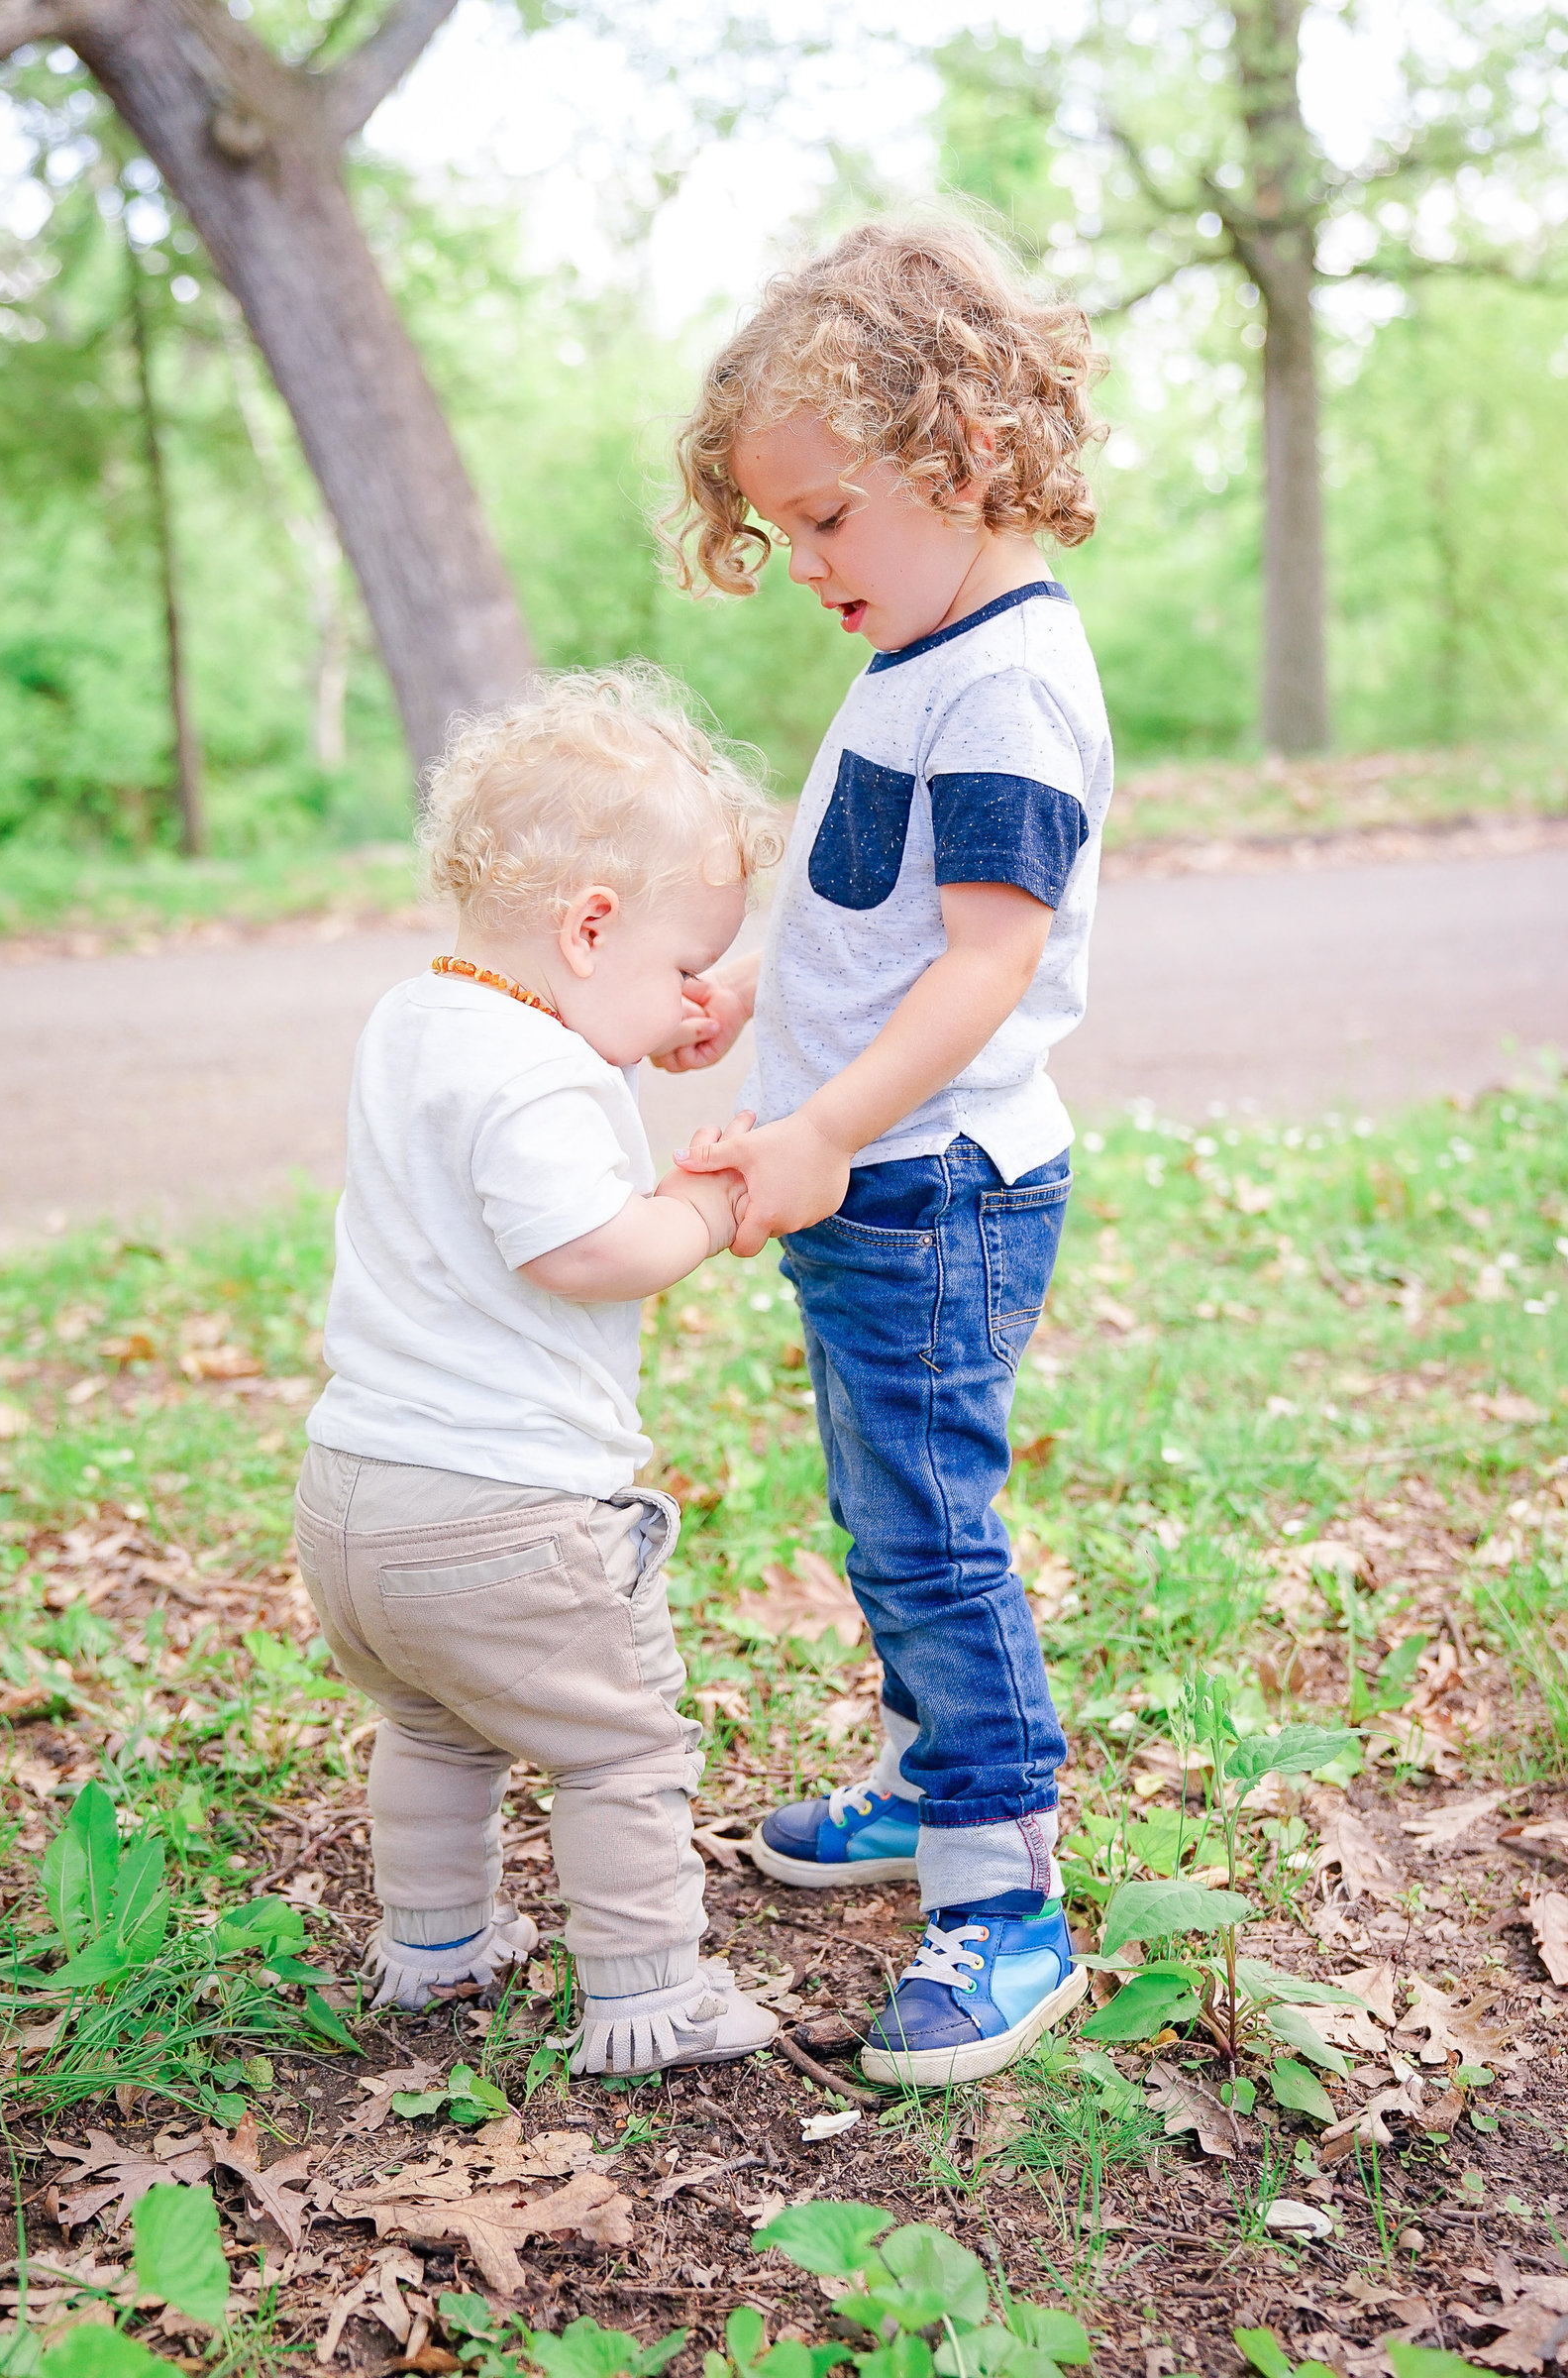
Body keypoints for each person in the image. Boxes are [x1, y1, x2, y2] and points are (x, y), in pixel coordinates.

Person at [659, 217, 1112, 2085]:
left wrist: (828, 1129)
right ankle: (935, 1783)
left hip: (933, 1190)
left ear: (971, 460)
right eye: (782, 534)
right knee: (882, 1510)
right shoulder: (921, 650)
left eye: (830, 518)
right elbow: (876, 908)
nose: (807, 568)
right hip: (878, 1179)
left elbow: (992, 961)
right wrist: (746, 995)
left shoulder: (1003, 683)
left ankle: (1002, 1897)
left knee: (930, 1532)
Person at [293, 666, 784, 2077]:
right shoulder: (545, 1077)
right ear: (589, 927)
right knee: (617, 1750)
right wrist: (704, 1206)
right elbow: (581, 1242)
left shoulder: (420, 1018)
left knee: (438, 1733)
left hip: (356, 1505)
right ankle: (649, 1997)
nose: (692, 996)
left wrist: (647, 1033)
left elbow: (517, 1098)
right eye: (680, 967)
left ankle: (432, 1950)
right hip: (507, 1518)